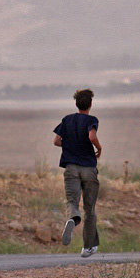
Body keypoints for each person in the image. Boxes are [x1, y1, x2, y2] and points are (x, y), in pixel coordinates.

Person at [53, 88, 102, 258]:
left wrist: (69, 146)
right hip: (88, 168)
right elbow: (91, 136)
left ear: (76, 103)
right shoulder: (91, 120)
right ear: (90, 104)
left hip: (71, 168)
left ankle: (73, 220)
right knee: (90, 209)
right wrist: (99, 147)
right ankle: (88, 247)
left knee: (72, 201)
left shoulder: (67, 120)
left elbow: (56, 141)